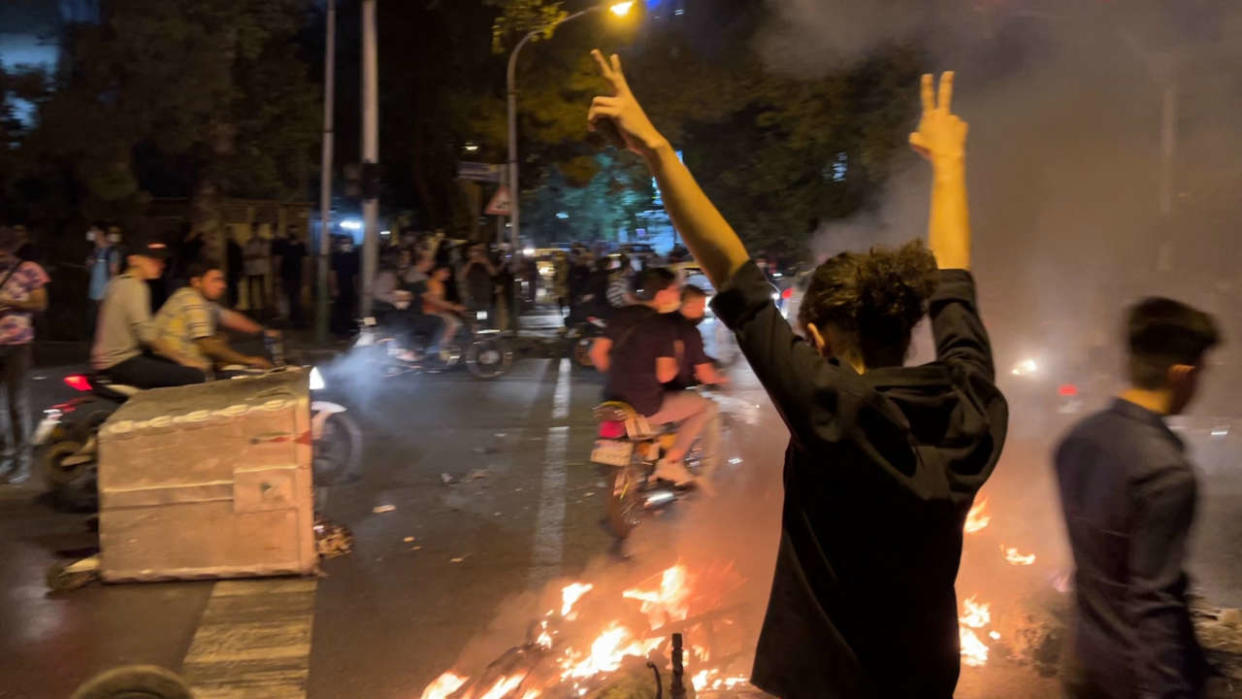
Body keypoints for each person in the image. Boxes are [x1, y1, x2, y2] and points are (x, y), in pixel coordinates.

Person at [588, 54, 1007, 696]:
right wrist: (950, 165)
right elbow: (956, 285)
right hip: (926, 680)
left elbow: (732, 272)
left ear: (817, 338)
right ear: (908, 324)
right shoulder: (971, 406)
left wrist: (657, 152)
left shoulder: (830, 409)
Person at [1054, 298, 1220, 699]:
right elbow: (1153, 605)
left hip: (1081, 664)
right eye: (1202, 374)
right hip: (1132, 680)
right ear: (1182, 374)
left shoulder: (1077, 441)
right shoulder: (1166, 472)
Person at [590, 267, 719, 484]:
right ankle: (672, 463)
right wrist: (678, 359)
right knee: (703, 406)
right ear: (661, 295)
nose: (677, 294)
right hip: (646, 404)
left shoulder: (620, 315)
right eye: (675, 289)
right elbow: (665, 376)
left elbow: (597, 353)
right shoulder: (662, 325)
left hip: (612, 398)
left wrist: (619, 374)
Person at [91, 229, 206, 389]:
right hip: (121, 363)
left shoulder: (117, 283)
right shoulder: (135, 286)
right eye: (153, 259)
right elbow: (147, 336)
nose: (160, 264)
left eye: (162, 260)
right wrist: (183, 359)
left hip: (112, 361)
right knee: (194, 375)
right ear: (134, 260)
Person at [153, 259, 275, 374]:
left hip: (186, 363)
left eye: (222, 280)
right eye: (216, 280)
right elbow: (208, 347)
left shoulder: (202, 301)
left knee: (227, 340)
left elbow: (230, 317)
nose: (223, 285)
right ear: (196, 282)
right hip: (176, 366)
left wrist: (262, 331)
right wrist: (249, 360)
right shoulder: (192, 299)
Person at [0, 226, 49, 485]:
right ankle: (6, 457)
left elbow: (40, 303)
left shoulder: (29, 269)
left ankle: (23, 461)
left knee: (17, 404)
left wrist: (12, 303)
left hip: (18, 344)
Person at [664, 284, 727, 390]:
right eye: (701, 307)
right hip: (675, 390)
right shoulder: (690, 331)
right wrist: (724, 380)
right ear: (689, 305)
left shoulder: (664, 321)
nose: (702, 312)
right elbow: (706, 376)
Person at [86, 223, 121, 339]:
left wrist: (113, 290)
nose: (91, 235)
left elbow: (114, 271)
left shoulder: (110, 251)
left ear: (101, 233)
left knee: (105, 317)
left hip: (105, 290)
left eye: (94, 232)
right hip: (96, 290)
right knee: (100, 318)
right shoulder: (95, 251)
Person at [272, 230, 307, 327]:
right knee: (294, 298)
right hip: (294, 276)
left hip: (287, 276)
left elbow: (278, 261)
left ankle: (290, 318)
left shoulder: (284, 247)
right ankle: (293, 318)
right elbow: (304, 263)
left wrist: (277, 275)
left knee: (288, 297)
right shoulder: (299, 247)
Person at [424, 265, 465, 344]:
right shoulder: (432, 283)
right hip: (430, 312)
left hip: (438, 311)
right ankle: (441, 345)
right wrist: (453, 307)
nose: (448, 275)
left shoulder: (440, 285)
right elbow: (435, 301)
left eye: (448, 273)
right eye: (445, 272)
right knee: (454, 323)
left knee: (456, 322)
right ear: (436, 272)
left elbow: (440, 303)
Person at [461, 243, 497, 324]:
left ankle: (481, 330)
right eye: (474, 250)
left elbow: (494, 273)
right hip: (471, 295)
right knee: (472, 317)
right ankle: (476, 330)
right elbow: (462, 275)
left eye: (479, 251)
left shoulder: (486, 261)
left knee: (482, 317)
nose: (476, 253)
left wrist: (486, 263)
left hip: (484, 296)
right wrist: (471, 262)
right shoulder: (466, 262)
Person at [243, 229, 270, 317]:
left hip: (259, 269)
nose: (255, 233)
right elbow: (245, 256)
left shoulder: (263, 242)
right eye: (254, 231)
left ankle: (263, 308)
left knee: (261, 289)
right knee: (251, 290)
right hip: (251, 269)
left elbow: (264, 254)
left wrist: (253, 255)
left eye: (256, 231)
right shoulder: (248, 242)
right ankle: (252, 308)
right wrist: (257, 255)